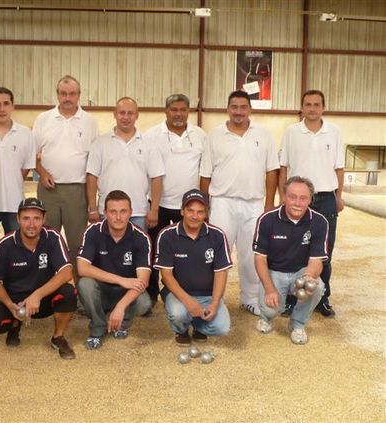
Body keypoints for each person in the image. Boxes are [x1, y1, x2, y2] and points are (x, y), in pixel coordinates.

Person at [200, 90, 279, 316]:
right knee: (218, 253)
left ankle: (250, 298)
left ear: (250, 109)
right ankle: (216, 298)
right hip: (222, 202)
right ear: (228, 109)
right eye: (234, 107)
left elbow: (271, 171)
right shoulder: (215, 135)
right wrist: (205, 208)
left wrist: (269, 205)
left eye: (243, 107)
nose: (238, 112)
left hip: (254, 203)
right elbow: (205, 175)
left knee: (250, 253)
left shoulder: (263, 135)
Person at [0, 198, 77, 360]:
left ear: (44, 219)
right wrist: (9, 304)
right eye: (26, 218)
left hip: (42, 299)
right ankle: (15, 323)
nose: (31, 224)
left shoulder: (53, 237)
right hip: (15, 299)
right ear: (18, 219)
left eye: (36, 218)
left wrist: (37, 295)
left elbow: (66, 272)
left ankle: (58, 337)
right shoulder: (5, 244)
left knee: (68, 293)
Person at [279, 90, 344, 318]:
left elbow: (339, 167)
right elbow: (284, 167)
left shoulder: (334, 132)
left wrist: (339, 196)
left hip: (326, 198)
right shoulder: (291, 132)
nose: (312, 108)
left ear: (323, 107)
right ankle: (290, 299)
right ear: (302, 107)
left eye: (317, 104)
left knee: (324, 252)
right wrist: (282, 197)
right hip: (297, 199)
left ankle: (321, 299)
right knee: (292, 250)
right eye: (308, 104)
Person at [145, 94, 207, 306]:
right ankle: (151, 294)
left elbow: (205, 170)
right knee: (154, 251)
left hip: (189, 208)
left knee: (188, 253)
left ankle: (182, 293)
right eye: (174, 109)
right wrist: (152, 208)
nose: (178, 114)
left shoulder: (200, 135)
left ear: (188, 111)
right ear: (166, 111)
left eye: (183, 109)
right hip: (159, 206)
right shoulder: (152, 135)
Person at [33, 75, 99, 269]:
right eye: (63, 93)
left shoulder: (89, 122)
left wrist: (92, 203)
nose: (67, 98)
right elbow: (31, 155)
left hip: (77, 192)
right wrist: (42, 172)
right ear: (57, 95)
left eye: (72, 94)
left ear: (79, 95)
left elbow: (94, 162)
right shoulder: (43, 119)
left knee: (77, 244)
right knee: (45, 239)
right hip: (48, 191)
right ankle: (48, 288)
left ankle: (79, 290)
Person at [253, 176, 327, 344]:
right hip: (274, 271)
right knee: (271, 309)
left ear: (310, 199)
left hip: (300, 271)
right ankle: (266, 317)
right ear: (284, 197)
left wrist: (308, 277)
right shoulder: (267, 219)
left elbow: (316, 260)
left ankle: (298, 324)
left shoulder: (319, 221)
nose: (297, 203)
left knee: (317, 286)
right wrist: (269, 288)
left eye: (303, 198)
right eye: (293, 197)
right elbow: (260, 259)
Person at [77, 190, 152, 350]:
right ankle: (98, 327)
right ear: (105, 213)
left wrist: (121, 307)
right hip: (101, 289)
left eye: (123, 211)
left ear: (131, 213)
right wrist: (120, 279)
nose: (118, 217)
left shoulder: (141, 237)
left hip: (125, 292)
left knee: (144, 302)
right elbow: (82, 268)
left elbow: (143, 280)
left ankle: (122, 323)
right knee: (85, 284)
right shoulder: (93, 231)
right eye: (113, 212)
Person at [154, 189, 232, 345]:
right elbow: (166, 276)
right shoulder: (167, 235)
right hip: (178, 295)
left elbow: (221, 273)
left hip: (208, 294)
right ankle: (181, 329)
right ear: (182, 211)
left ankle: (198, 327)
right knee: (179, 315)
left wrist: (215, 303)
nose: (194, 216)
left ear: (206, 214)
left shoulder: (217, 235)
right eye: (190, 210)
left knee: (222, 328)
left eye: (200, 212)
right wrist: (188, 302)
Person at [86, 97, 165, 231]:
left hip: (139, 212)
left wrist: (154, 210)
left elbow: (156, 178)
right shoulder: (100, 143)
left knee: (137, 250)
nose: (126, 117)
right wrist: (93, 209)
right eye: (122, 113)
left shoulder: (149, 144)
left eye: (130, 113)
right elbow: (91, 177)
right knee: (107, 251)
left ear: (137, 115)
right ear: (115, 114)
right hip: (107, 212)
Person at [0, 87, 36, 251]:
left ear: (13, 106)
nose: (2, 108)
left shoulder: (25, 134)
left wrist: (10, 181)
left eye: (6, 103)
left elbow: (25, 169)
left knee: (15, 250)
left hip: (14, 205)